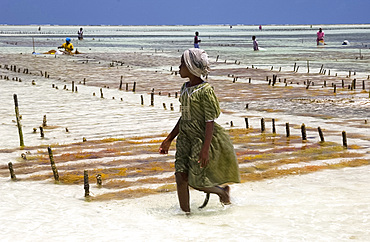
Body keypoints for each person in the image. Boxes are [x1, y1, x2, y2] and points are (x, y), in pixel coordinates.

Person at [159, 48, 240, 214]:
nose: (179, 68)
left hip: (200, 139)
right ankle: (185, 215)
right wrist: (169, 139)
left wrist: (205, 149)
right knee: (180, 177)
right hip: (184, 138)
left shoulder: (205, 91)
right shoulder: (184, 88)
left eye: (182, 64)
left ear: (191, 67)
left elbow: (209, 121)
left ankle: (221, 192)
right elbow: (184, 117)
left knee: (197, 181)